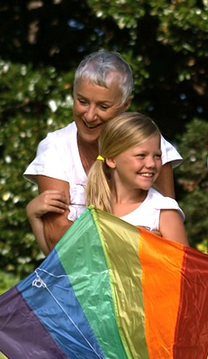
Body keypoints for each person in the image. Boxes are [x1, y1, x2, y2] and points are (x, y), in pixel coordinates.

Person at [24, 50, 183, 255]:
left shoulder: (149, 144)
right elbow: (58, 240)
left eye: (103, 106)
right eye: (82, 101)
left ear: (125, 105)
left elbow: (168, 226)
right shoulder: (55, 147)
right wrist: (134, 238)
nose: (90, 115)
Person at [86, 112, 188, 245]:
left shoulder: (163, 211)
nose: (151, 164)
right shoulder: (95, 204)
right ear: (111, 159)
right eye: (141, 155)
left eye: (157, 156)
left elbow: (184, 264)